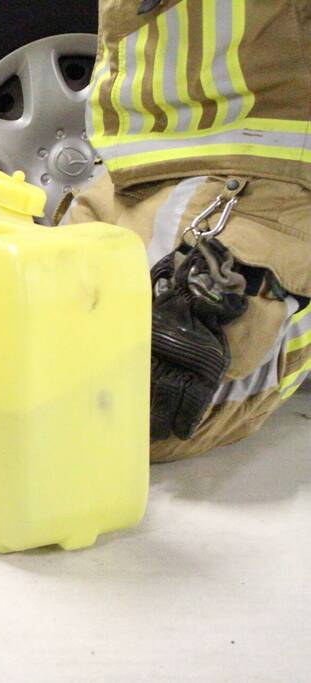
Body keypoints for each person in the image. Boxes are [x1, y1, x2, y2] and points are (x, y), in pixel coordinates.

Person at [63, 0, 311, 462]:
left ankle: (281, 308)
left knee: (147, 408)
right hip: (132, 164)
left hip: (261, 170)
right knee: (38, 349)